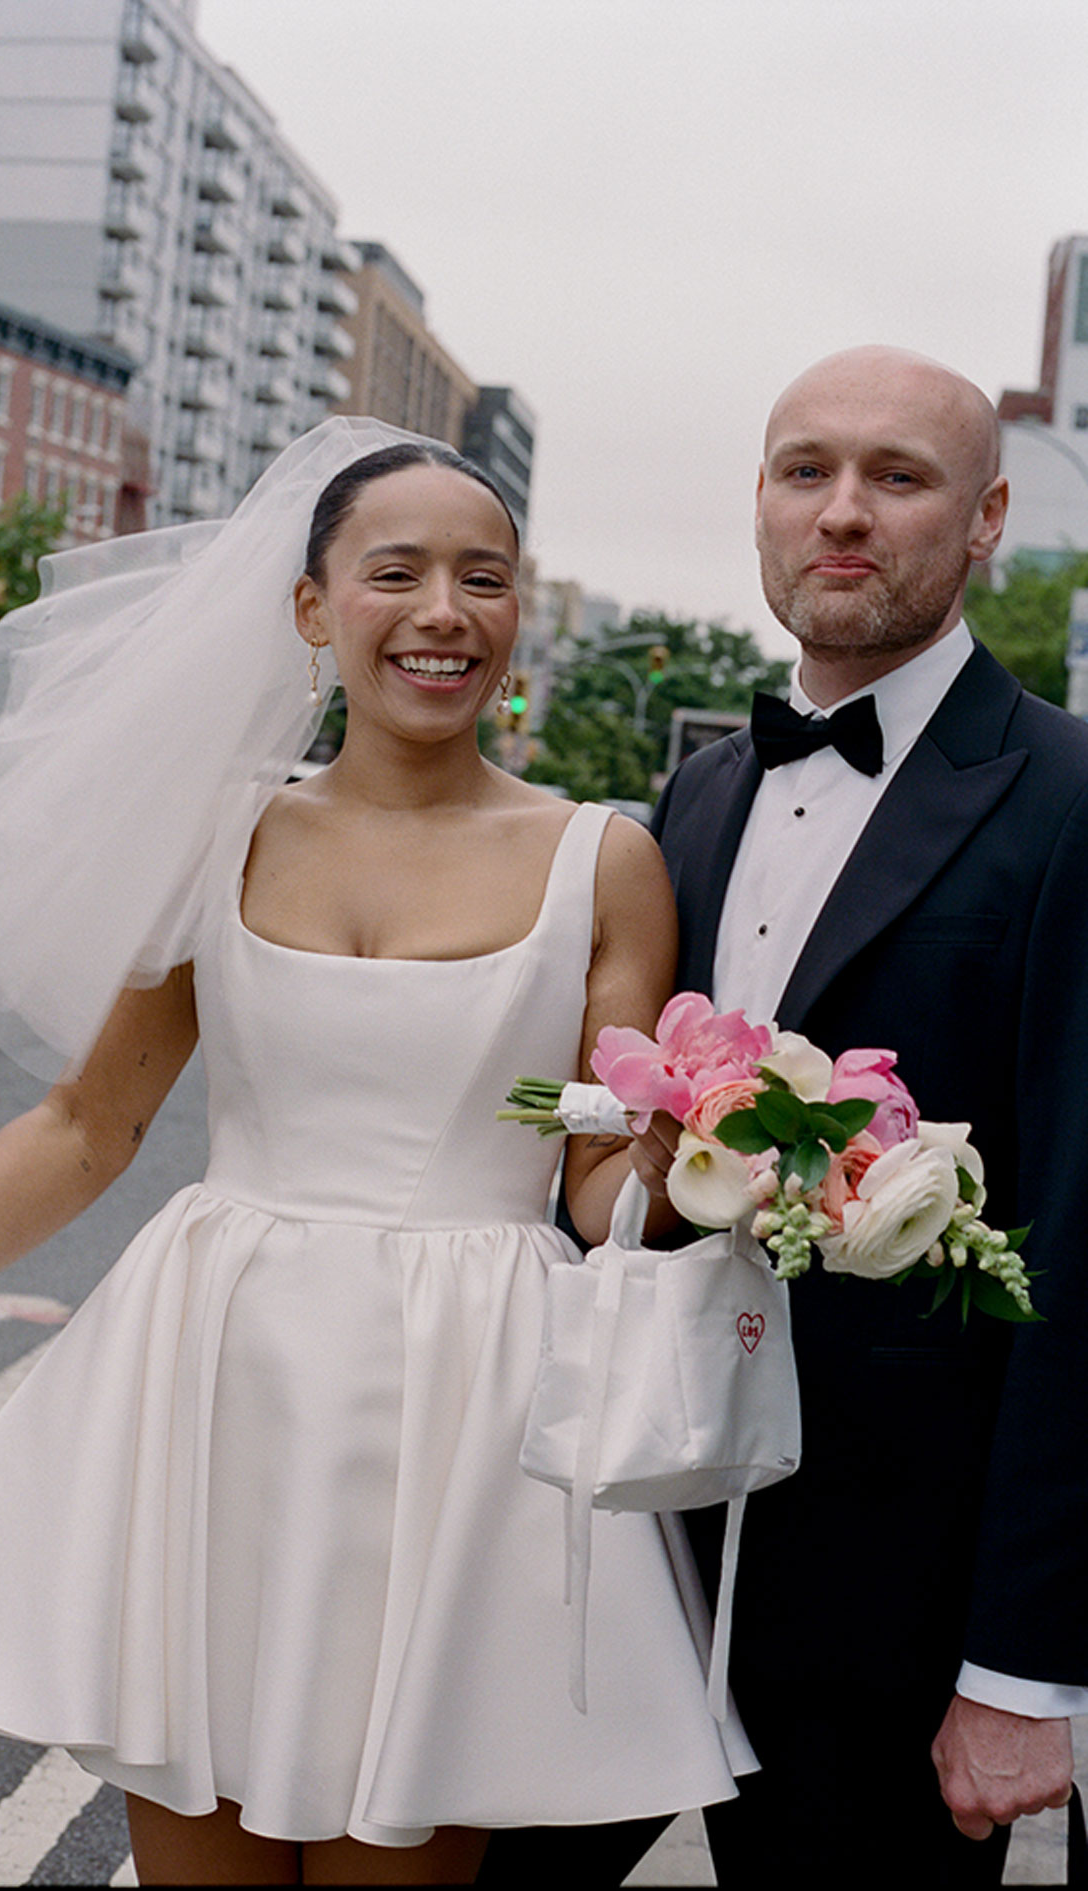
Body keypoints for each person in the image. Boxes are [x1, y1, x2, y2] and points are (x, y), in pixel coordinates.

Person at [0, 419, 753, 1887]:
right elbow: (90, 1122)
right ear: (315, 609)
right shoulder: (218, 840)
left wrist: (702, 1169)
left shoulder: (605, 859)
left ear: (518, 609)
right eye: (397, 572)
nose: (445, 612)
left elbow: (592, 1175)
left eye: (485, 577)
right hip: (216, 1381)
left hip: (472, 1405)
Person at [627, 345, 1088, 1886]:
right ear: (758, 504)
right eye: (804, 470)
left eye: (898, 478)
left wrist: (1024, 1671)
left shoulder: (1070, 800)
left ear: (985, 522)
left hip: (896, 1614)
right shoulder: (696, 800)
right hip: (639, 1547)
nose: (843, 513)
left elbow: (1082, 1246)